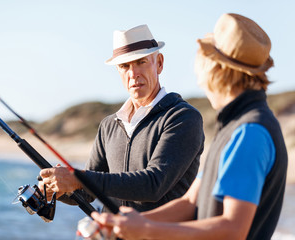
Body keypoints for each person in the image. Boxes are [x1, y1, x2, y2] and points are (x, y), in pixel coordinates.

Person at [91, 13, 288, 240]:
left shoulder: (250, 132)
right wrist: (123, 225)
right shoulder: (235, 126)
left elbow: (233, 230)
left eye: (203, 58)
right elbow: (191, 202)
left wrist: (145, 230)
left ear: (217, 70)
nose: (197, 72)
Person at [39, 24, 204, 212]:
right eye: (125, 66)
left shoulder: (183, 117)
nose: (133, 74)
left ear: (159, 63)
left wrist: (78, 178)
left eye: (141, 61)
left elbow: (154, 185)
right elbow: (87, 193)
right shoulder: (109, 125)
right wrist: (57, 187)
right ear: (118, 70)